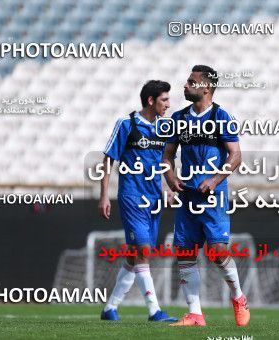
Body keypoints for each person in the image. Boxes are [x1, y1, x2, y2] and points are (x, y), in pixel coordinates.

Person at [162, 65, 249, 327]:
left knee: (218, 251)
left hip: (214, 198)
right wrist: (171, 178)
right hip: (188, 197)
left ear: (206, 88)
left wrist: (214, 180)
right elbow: (166, 157)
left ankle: (238, 297)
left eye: (191, 82)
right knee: (185, 252)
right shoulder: (178, 119)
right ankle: (195, 314)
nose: (185, 85)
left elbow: (236, 156)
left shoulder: (222, 117)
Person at [98, 80, 178, 322]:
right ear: (151, 100)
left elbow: (164, 161)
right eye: (164, 99)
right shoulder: (126, 124)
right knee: (142, 250)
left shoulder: (164, 129)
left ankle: (109, 308)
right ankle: (155, 311)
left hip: (154, 199)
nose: (169, 104)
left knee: (136, 256)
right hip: (132, 196)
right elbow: (108, 159)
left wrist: (171, 186)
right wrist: (104, 195)